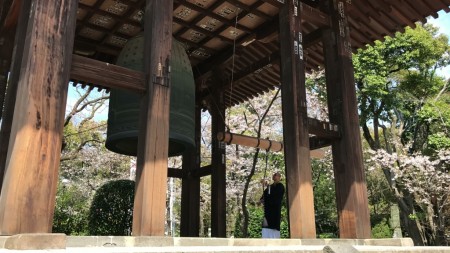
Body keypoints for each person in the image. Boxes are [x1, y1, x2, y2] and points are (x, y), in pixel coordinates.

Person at [260, 172, 285, 238]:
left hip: (275, 210)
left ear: (279, 177)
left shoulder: (280, 186)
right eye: (273, 175)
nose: (274, 176)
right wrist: (262, 200)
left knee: (274, 226)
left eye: (275, 175)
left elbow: (276, 196)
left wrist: (268, 187)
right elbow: (264, 197)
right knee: (266, 225)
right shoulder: (270, 187)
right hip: (268, 211)